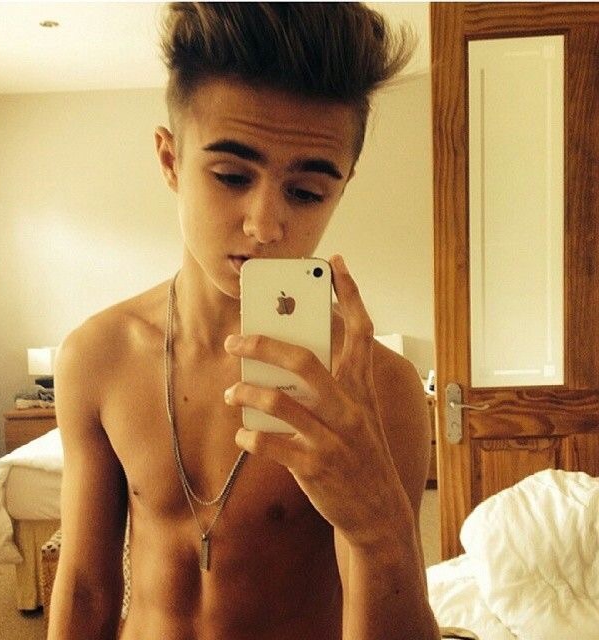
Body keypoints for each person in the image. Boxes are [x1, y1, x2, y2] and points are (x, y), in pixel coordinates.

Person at [47, 3, 440, 639]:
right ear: (170, 161)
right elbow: (87, 588)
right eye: (232, 176)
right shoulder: (98, 356)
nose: (264, 225)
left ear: (342, 186)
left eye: (306, 192)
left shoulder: (373, 389)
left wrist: (380, 529)